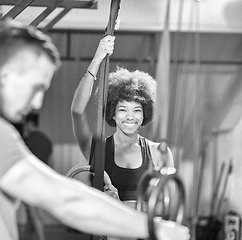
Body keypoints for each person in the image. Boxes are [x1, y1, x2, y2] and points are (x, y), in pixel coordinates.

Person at [0, 22, 188, 240]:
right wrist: (153, 229)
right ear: (7, 75)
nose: (37, 103)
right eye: (36, 88)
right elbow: (64, 200)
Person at [71, 35, 174, 206]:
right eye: (123, 109)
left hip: (143, 232)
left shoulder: (159, 153)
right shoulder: (98, 151)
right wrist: (97, 58)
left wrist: (120, 203)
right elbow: (77, 111)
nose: (130, 116)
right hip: (107, 232)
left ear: (145, 114)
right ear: (112, 113)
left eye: (137, 110)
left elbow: (169, 205)